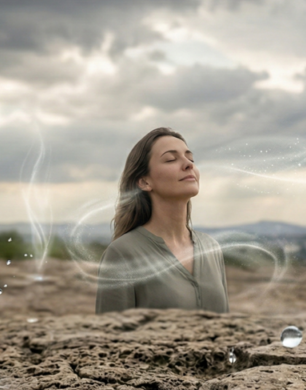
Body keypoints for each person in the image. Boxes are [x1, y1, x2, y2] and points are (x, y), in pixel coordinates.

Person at [95, 127, 229, 313]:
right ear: (144, 182)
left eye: (191, 159)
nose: (188, 164)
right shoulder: (122, 253)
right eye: (171, 159)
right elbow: (111, 330)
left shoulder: (211, 248)